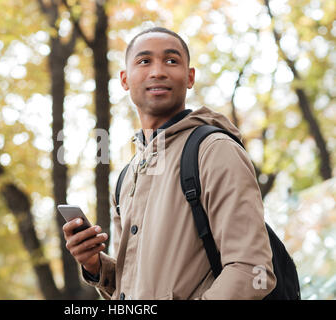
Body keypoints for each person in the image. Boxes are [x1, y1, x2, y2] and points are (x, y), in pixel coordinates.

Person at [62, 27, 276, 300]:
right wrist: (95, 265)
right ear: (125, 80)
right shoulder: (127, 176)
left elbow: (252, 270)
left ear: (190, 77)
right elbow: (137, 287)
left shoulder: (214, 150)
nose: (158, 71)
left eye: (171, 61)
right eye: (144, 61)